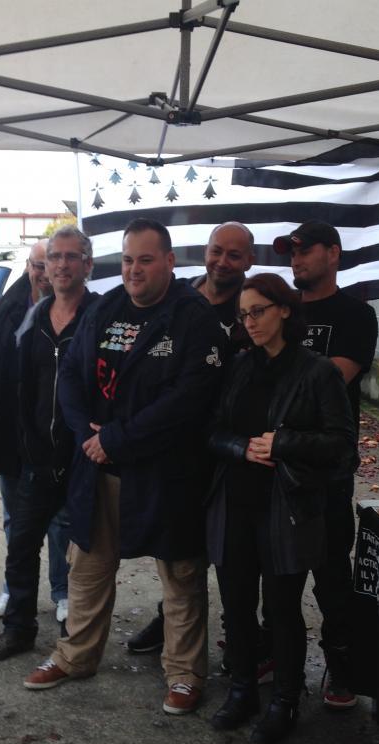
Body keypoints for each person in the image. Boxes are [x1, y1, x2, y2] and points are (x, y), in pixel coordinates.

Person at [22, 218, 225, 715]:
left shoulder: (194, 318)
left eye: (146, 259)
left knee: (180, 575)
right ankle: (76, 656)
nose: (134, 270)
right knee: (87, 567)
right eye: (129, 260)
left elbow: (191, 399)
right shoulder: (107, 307)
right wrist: (87, 436)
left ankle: (183, 674)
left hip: (166, 472)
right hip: (100, 467)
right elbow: (70, 374)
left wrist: (115, 438)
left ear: (171, 262)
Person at [207, 272, 357, 744]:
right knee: (236, 603)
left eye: (259, 311)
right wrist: (239, 449)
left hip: (285, 508)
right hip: (236, 501)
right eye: (243, 314)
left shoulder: (317, 372)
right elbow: (211, 431)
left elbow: (343, 446)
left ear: (284, 311)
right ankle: (243, 688)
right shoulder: (239, 366)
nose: (249, 322)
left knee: (283, 607)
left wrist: (285, 443)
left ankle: (286, 700)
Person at [127, 221, 253, 656]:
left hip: (228, 449)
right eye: (217, 250)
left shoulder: (252, 309)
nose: (222, 260)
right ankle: (169, 623)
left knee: (231, 555)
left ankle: (245, 641)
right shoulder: (180, 300)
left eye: (234, 255)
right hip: (174, 445)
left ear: (248, 261)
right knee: (175, 544)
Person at [0, 225, 98, 662]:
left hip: (84, 459)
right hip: (35, 458)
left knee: (84, 552)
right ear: (44, 266)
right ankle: (18, 630)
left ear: (87, 264)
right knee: (21, 546)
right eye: (55, 257)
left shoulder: (101, 315)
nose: (62, 265)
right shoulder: (33, 315)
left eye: (71, 257)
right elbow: (14, 384)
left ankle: (79, 637)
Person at [273, 221, 378, 708]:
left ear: (333, 253)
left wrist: (275, 369)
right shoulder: (278, 311)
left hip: (327, 468)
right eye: (290, 253)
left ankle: (341, 665)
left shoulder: (356, 315)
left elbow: (334, 379)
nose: (296, 260)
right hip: (273, 463)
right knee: (276, 573)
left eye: (305, 251)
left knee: (332, 572)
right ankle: (278, 657)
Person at [0, 239, 70, 624]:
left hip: (55, 437)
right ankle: (12, 589)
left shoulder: (77, 309)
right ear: (30, 266)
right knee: (13, 517)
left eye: (49, 264)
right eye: (38, 265)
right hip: (9, 431)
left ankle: (61, 591)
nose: (44, 272)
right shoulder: (7, 306)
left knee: (59, 521)